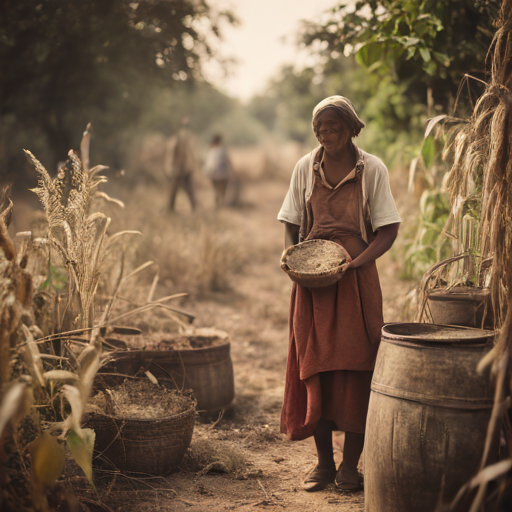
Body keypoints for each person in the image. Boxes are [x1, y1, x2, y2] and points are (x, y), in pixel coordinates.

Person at [277, 96, 401, 492]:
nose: (325, 134)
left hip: (357, 282)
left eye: (332, 126)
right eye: (319, 128)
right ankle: (323, 465)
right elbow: (292, 224)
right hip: (312, 286)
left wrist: (355, 264)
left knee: (357, 368)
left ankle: (351, 467)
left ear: (350, 127)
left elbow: (388, 230)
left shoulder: (372, 169)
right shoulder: (304, 167)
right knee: (315, 366)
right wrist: (294, 261)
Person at [165, 116, 198, 212]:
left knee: (188, 189)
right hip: (179, 169)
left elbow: (192, 155)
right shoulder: (177, 140)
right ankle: (171, 208)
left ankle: (194, 208)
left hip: (186, 168)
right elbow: (171, 155)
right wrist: (171, 168)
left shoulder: (187, 140)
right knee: (175, 190)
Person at [203, 134, 232, 208]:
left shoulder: (210, 149)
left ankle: (217, 199)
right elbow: (227, 160)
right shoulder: (222, 149)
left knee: (215, 188)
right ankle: (221, 200)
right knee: (223, 187)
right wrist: (231, 169)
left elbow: (206, 161)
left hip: (211, 172)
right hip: (222, 172)